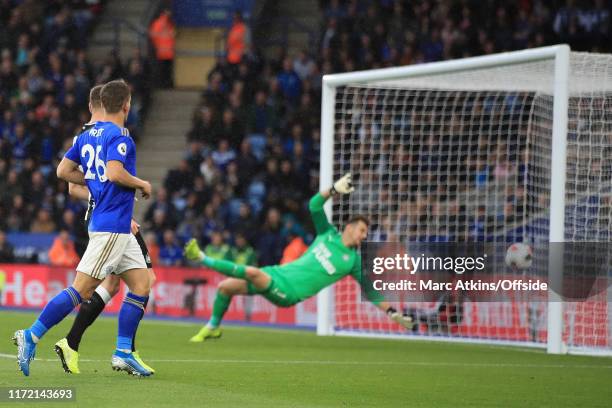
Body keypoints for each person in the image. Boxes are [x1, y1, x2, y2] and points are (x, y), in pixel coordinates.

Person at [13, 80, 153, 377]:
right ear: (126, 105)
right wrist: (141, 183)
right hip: (111, 226)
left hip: (113, 225)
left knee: (142, 283)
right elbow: (115, 173)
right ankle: (31, 334)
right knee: (82, 289)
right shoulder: (120, 136)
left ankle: (124, 352)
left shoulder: (88, 136)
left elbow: (62, 171)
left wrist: (93, 184)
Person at [185, 173, 414, 342]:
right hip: (278, 273)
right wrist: (333, 189)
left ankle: (202, 258)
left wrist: (393, 313)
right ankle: (213, 327)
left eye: (366, 233)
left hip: (289, 293)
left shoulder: (352, 261)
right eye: (362, 230)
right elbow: (314, 205)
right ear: (350, 227)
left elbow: (371, 291)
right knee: (226, 287)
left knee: (253, 272)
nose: (365, 236)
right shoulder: (327, 234)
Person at [52, 84, 157, 376]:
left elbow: (73, 182)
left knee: (123, 283)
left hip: (109, 218)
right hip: (112, 221)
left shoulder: (87, 135)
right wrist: (110, 195)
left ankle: (103, 348)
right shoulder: (106, 135)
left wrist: (101, 192)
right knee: (134, 282)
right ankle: (113, 349)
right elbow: (77, 185)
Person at [149, 9, 175, 88]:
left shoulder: (167, 23)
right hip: (164, 52)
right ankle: (163, 85)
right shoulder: (162, 23)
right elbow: (153, 35)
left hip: (166, 52)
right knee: (164, 71)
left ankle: (165, 84)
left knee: (165, 71)